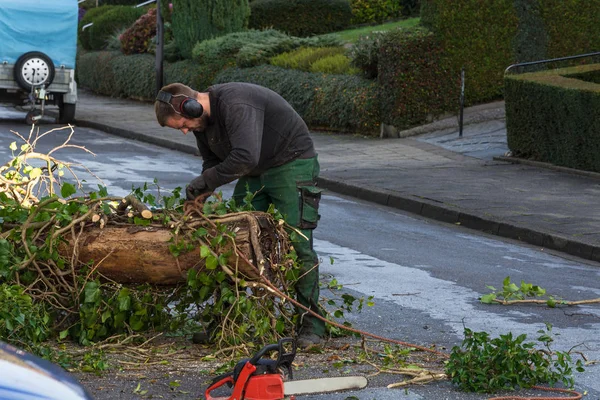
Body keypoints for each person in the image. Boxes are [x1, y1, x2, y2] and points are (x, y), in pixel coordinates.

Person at [154, 82, 325, 348]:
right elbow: (213, 163)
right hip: (256, 172)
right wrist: (200, 197)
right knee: (232, 241)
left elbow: (245, 156)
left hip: (291, 163)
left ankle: (313, 327)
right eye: (181, 129)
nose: (186, 131)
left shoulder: (236, 104)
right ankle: (224, 323)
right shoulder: (203, 122)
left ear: (191, 106)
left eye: (184, 124)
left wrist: (205, 181)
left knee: (298, 243)